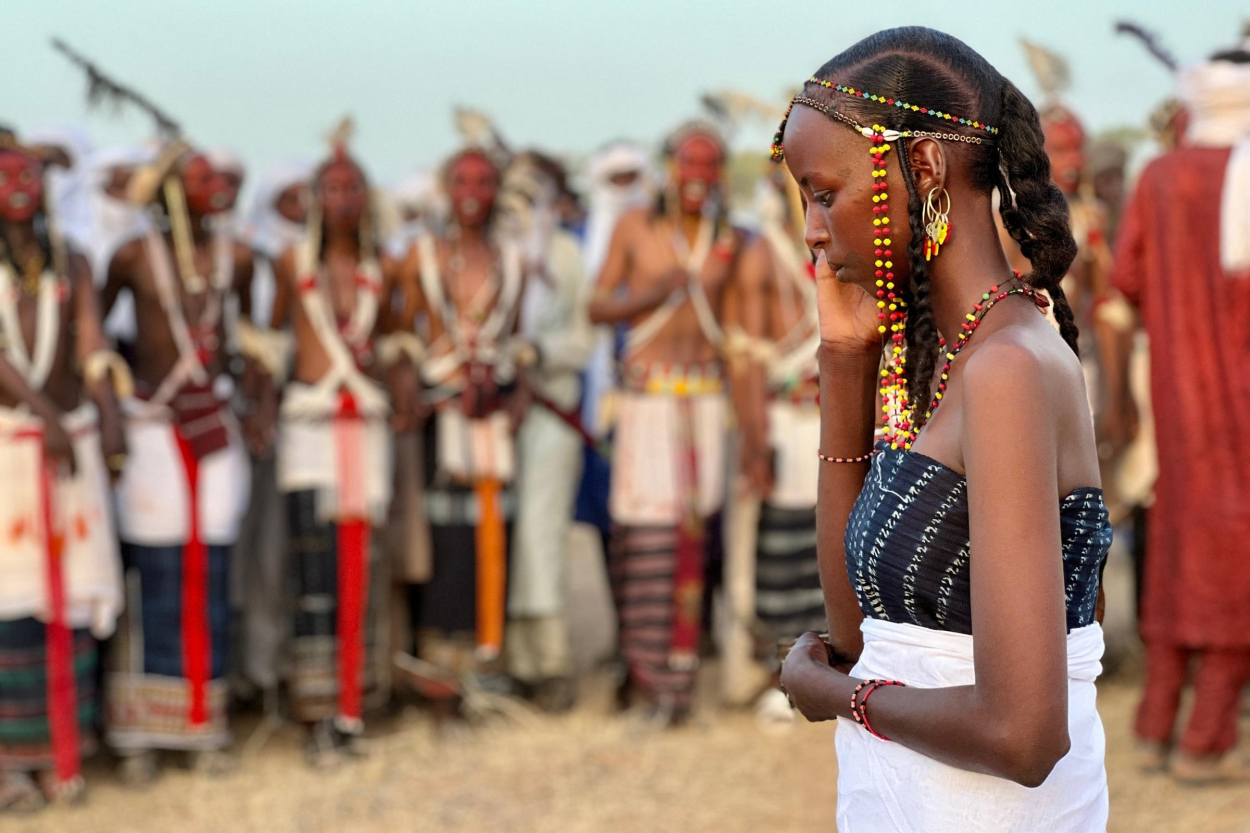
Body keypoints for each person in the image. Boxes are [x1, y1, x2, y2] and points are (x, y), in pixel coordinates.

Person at [773, 28, 1112, 830]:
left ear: (922, 167)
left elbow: (1024, 736)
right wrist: (846, 362)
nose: (813, 232)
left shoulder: (1008, 371)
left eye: (825, 194)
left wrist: (839, 696)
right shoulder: (950, 359)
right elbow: (864, 630)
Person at [1113, 34, 1250, 784]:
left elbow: (1127, 277)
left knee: (1178, 557)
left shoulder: (1160, 175)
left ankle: (1155, 725)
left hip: (1177, 405)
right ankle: (1205, 739)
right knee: (1237, 567)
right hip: (1240, 413)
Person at [102, 143, 255, 782]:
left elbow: (245, 344)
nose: (216, 185)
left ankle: (202, 721)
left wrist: (255, 401)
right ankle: (140, 730)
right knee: (153, 574)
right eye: (199, 177)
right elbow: (100, 331)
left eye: (220, 176)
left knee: (209, 570)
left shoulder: (239, 259)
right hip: (153, 434)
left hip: (212, 428)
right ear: (167, 189)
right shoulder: (134, 256)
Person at [588, 122, 742, 725]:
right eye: (689, 163)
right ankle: (644, 679)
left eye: (710, 165)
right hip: (647, 403)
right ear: (670, 168)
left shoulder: (730, 239)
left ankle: (678, 686)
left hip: (704, 402)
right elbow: (597, 308)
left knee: (691, 544)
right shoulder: (636, 228)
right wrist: (653, 292)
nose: (698, 176)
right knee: (643, 544)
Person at [260, 139, 400, 764]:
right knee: (312, 575)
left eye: (353, 188)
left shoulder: (385, 268)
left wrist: (400, 383)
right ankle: (316, 712)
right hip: (310, 433)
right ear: (315, 199)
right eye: (333, 189)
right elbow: (271, 347)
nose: (344, 200)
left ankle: (352, 709)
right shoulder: (291, 264)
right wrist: (262, 409)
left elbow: (397, 342)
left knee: (360, 573)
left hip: (364, 433)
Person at [0, 140, 126, 811]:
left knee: (71, 602)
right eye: (6, 175)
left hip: (67, 446)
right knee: (10, 607)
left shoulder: (71, 260)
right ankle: (8, 763)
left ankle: (61, 752)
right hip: (10, 453)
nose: (19, 185)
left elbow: (91, 342)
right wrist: (46, 414)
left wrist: (106, 410)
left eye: (29, 174)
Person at [394, 147, 529, 702]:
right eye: (462, 181)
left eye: (483, 181)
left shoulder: (513, 259)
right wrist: (408, 380)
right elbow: (398, 333)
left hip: (493, 415)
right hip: (442, 415)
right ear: (446, 189)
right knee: (444, 538)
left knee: (495, 531)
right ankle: (439, 671)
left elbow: (517, 340)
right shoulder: (421, 256)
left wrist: (518, 387)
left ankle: (486, 660)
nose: (473, 192)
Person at [725, 165, 824, 726]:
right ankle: (781, 670)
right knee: (782, 553)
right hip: (786, 423)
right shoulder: (763, 257)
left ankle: (832, 668)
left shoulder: (848, 242)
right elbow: (745, 360)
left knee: (834, 545)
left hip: (842, 422)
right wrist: (755, 443)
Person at [499, 152, 593, 711]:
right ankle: (502, 656)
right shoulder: (492, 253)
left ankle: (547, 662)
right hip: (489, 412)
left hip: (550, 411)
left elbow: (582, 342)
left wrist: (537, 353)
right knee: (497, 529)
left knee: (540, 532)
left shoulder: (565, 254)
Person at [230, 160, 310, 703]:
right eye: (291, 198)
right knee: (247, 556)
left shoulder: (317, 257)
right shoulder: (252, 259)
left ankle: (274, 669)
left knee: (282, 557)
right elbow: (253, 341)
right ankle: (246, 674)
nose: (302, 209)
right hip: (245, 421)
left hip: (300, 422)